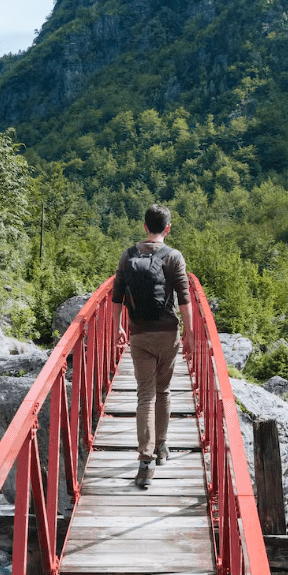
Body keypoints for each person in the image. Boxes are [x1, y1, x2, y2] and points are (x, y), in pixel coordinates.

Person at [111, 204, 191, 488]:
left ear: (144, 226)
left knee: (145, 396)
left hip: (139, 333)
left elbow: (116, 295)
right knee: (163, 391)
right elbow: (184, 298)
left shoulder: (128, 255)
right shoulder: (174, 256)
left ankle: (146, 463)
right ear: (167, 228)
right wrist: (190, 333)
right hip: (168, 333)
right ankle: (162, 446)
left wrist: (118, 327)